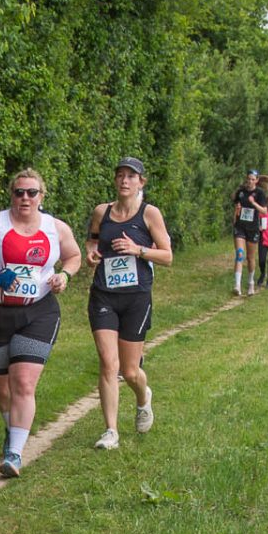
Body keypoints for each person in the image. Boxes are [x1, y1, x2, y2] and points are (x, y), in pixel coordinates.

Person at [0, 168, 83, 477]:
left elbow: (74, 256)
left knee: (23, 381)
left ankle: (14, 454)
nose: (25, 198)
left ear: (41, 196)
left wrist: (64, 276)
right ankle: (13, 430)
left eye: (32, 192)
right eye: (19, 192)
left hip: (39, 313)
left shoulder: (55, 228)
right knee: (1, 387)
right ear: (12, 195)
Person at [84, 157, 173, 450]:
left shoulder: (150, 214)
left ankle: (143, 396)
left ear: (141, 182)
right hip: (104, 294)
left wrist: (138, 250)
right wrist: (91, 253)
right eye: (120, 175)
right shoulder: (102, 212)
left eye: (131, 176)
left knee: (130, 371)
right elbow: (93, 240)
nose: (124, 180)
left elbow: (167, 256)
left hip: (136, 298)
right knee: (108, 363)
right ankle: (111, 431)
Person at [230, 170, 268, 296]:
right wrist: (236, 213)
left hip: (253, 228)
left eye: (253, 179)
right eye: (248, 179)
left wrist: (253, 203)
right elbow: (236, 205)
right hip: (240, 226)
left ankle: (251, 282)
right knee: (240, 254)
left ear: (257, 180)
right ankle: (237, 285)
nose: (250, 181)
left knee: (250, 258)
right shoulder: (241, 192)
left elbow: (264, 211)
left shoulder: (260, 193)